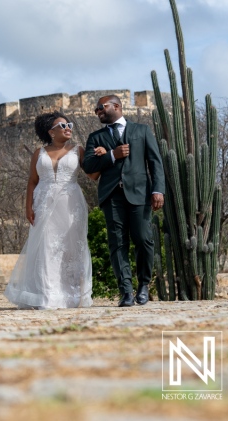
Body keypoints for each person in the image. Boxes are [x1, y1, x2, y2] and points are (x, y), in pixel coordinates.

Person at [4, 112, 99, 309]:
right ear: (51, 132)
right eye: (63, 125)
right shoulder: (39, 153)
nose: (68, 128)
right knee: (46, 247)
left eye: (69, 125)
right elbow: (32, 181)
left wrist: (103, 156)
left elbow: (92, 176)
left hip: (71, 203)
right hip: (43, 203)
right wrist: (28, 207)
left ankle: (74, 295)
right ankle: (48, 295)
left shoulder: (78, 150)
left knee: (73, 247)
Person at [81, 95, 165, 307]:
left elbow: (155, 162)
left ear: (116, 106)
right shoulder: (96, 137)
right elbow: (88, 166)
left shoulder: (141, 131)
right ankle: (126, 291)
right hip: (112, 196)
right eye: (96, 110)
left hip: (140, 194)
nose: (97, 112)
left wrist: (158, 190)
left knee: (144, 239)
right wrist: (112, 155)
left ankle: (143, 285)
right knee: (117, 244)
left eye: (101, 108)